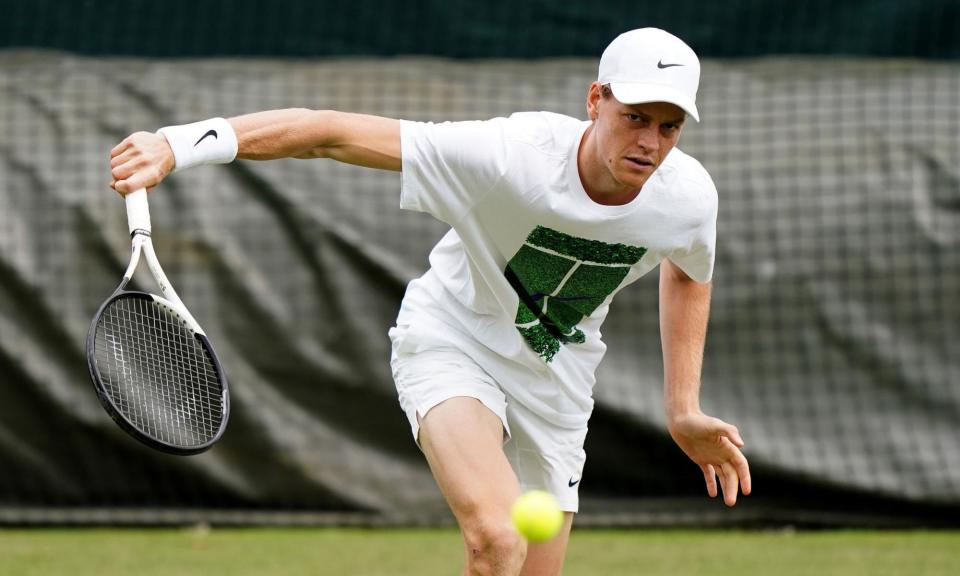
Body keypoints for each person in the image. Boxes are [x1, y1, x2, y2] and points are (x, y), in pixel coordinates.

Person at [109, 27, 751, 576]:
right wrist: (180, 142)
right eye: (634, 117)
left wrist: (682, 408)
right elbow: (330, 133)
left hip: (558, 377)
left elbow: (690, 270)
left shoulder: (687, 197)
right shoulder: (508, 158)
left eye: (668, 127)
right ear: (596, 100)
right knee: (499, 538)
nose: (649, 142)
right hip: (452, 341)